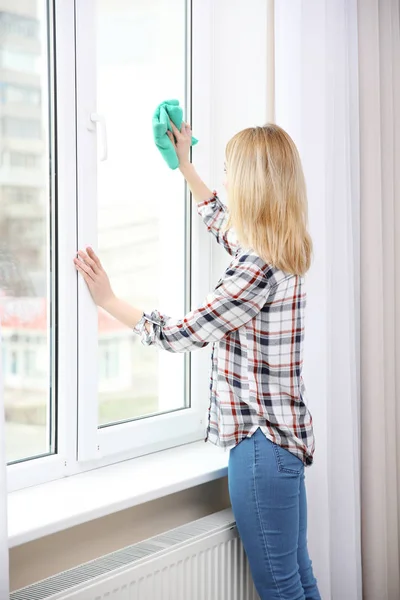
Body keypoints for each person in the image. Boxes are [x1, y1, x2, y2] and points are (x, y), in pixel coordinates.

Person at [74, 121, 321, 600]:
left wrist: (108, 300)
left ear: (252, 184)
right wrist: (186, 165)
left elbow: (182, 333)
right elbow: (224, 224)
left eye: (230, 172)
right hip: (285, 443)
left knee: (281, 589)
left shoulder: (254, 270)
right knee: (299, 578)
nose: (225, 180)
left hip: (260, 448)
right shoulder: (280, 248)